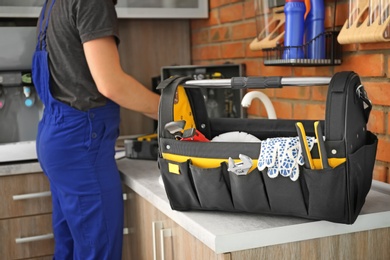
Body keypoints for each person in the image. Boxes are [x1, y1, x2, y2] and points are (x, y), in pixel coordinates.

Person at [32, 0, 160, 259]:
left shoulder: (52, 4)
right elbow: (110, 84)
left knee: (69, 248)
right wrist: (170, 110)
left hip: (56, 138)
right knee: (97, 252)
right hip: (81, 143)